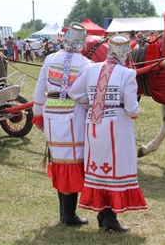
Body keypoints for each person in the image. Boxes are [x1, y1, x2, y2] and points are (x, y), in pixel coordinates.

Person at [68, 35, 147, 232]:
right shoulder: (127, 74)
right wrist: (135, 110)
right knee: (116, 168)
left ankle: (102, 213)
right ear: (126, 52)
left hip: (93, 125)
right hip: (117, 125)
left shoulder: (91, 68)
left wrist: (91, 104)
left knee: (99, 169)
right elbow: (131, 108)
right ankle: (110, 217)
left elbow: (73, 92)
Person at [32, 22, 92, 227]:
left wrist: (38, 114)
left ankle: (64, 214)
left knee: (59, 159)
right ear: (82, 43)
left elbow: (40, 88)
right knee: (72, 161)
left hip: (51, 111)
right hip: (73, 114)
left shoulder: (50, 58)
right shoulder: (86, 64)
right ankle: (68, 215)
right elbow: (84, 95)